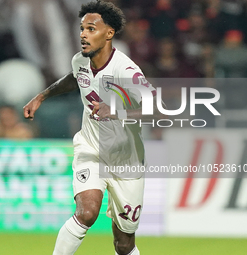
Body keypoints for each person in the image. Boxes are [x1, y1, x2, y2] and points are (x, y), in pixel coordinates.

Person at [23, 1, 157, 254]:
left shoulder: (126, 70)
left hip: (126, 159)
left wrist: (115, 110)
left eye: (91, 29)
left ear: (109, 33)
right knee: (86, 213)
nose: (83, 34)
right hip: (91, 149)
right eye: (82, 28)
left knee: (124, 243)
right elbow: (74, 78)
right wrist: (41, 96)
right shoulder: (80, 61)